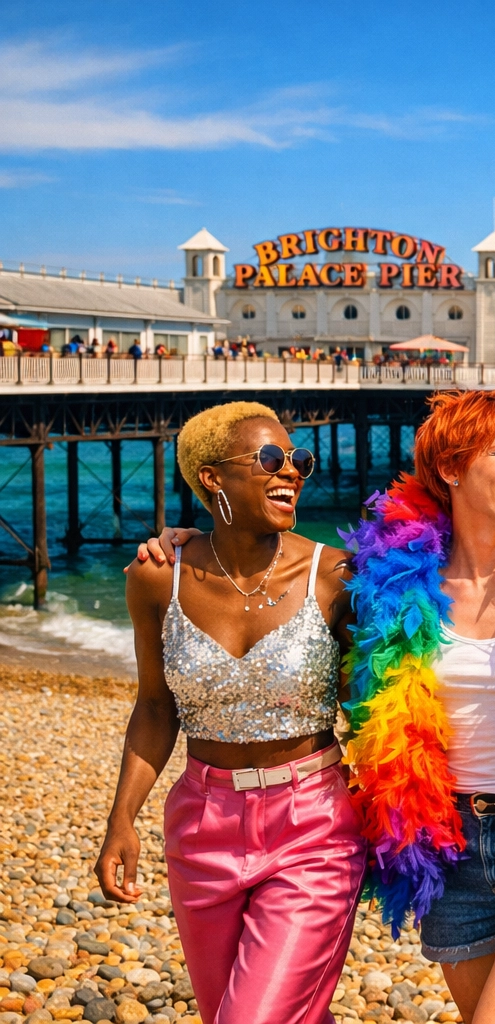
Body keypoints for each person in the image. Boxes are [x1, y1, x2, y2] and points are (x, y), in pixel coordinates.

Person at [141, 391, 495, 1021]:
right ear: (452, 468)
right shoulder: (383, 577)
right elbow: (273, 574)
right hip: (446, 844)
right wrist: (192, 542)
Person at [99, 401, 361, 1024]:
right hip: (201, 825)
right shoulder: (157, 577)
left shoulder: (336, 576)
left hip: (314, 825)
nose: (292, 471)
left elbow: (382, 699)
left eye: (299, 460)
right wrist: (122, 819)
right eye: (271, 458)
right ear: (212, 477)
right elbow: (155, 706)